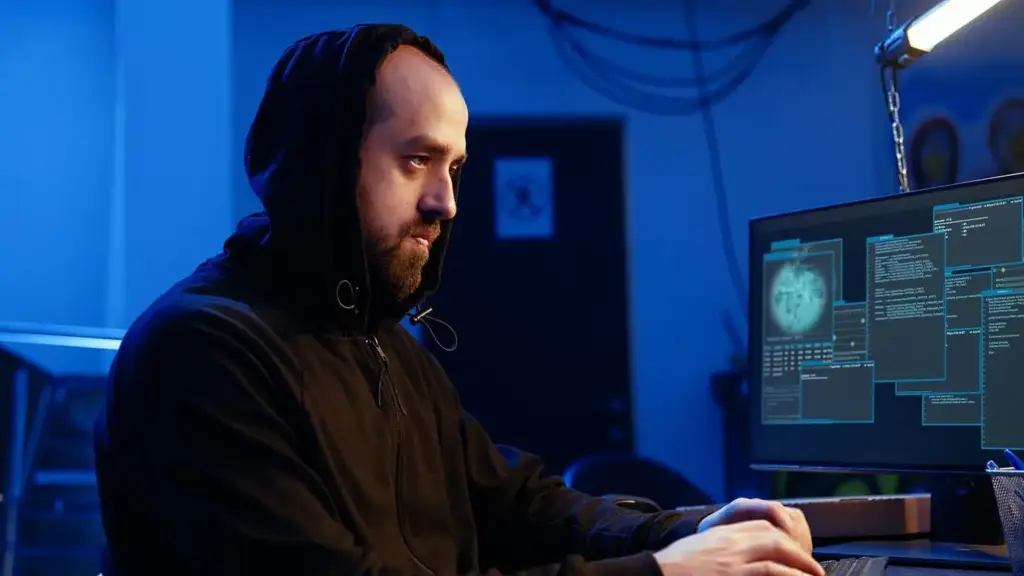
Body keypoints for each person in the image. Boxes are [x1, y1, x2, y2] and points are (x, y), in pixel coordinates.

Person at [93, 24, 823, 576]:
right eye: (416, 160)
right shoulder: (202, 353)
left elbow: (514, 502)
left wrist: (687, 531)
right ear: (322, 165)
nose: (445, 202)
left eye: (455, 167)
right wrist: (661, 573)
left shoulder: (381, 343)